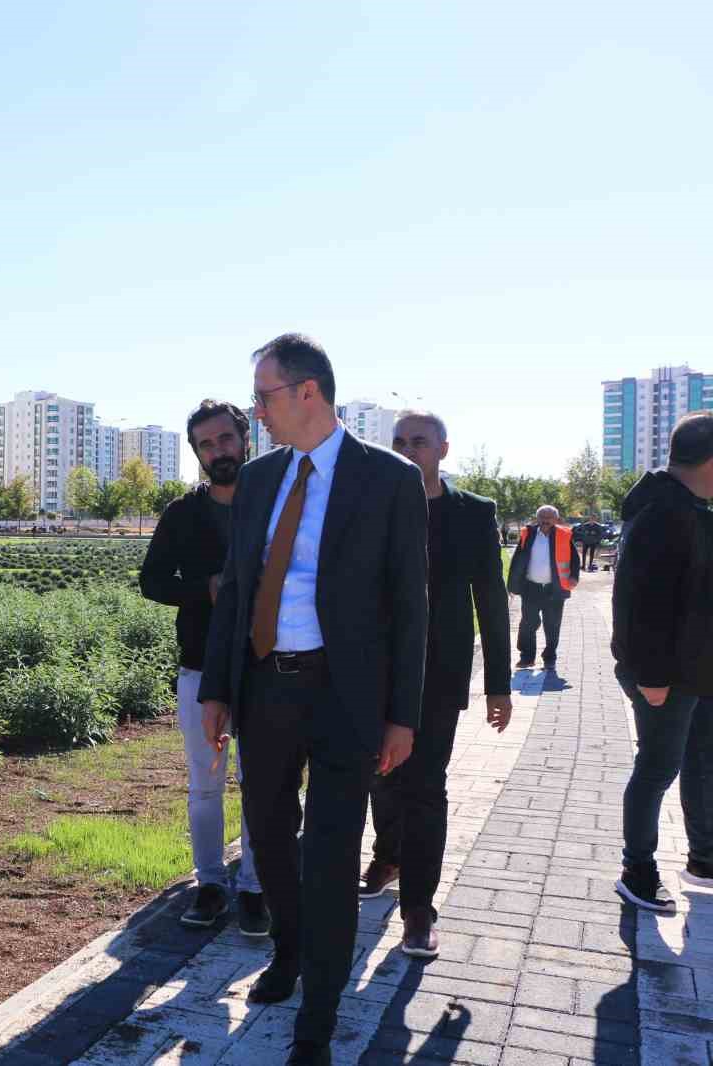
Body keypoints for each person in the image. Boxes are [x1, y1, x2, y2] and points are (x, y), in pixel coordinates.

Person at [199, 334, 427, 1066]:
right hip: (266, 687)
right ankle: (291, 952)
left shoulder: (387, 479)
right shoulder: (260, 479)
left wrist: (403, 715)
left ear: (307, 392)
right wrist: (218, 688)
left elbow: (411, 605)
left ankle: (318, 1020)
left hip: (344, 697)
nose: (256, 412)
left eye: (263, 397)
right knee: (269, 838)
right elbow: (239, 587)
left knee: (330, 855)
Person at [360, 411, 513, 958]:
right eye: (398, 442)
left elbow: (491, 599)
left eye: (419, 442)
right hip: (375, 671)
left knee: (426, 786)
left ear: (443, 449)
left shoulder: (472, 513)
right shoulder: (371, 505)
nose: (407, 451)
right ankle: (389, 855)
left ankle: (419, 911)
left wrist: (499, 684)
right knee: (381, 775)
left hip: (439, 674)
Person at [140, 399, 268, 936]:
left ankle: (256, 888)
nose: (218, 451)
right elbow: (152, 582)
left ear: (245, 438)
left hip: (268, 667)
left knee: (263, 783)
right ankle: (211, 884)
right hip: (199, 665)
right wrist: (205, 589)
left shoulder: (274, 503)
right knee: (205, 782)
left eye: (226, 439)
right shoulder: (182, 513)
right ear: (196, 452)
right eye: (206, 444)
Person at [611, 411, 713, 913]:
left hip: (694, 669)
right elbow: (642, 603)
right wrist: (652, 677)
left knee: (700, 761)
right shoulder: (664, 512)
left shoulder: (687, 507)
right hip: (664, 675)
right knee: (656, 769)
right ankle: (637, 870)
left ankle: (704, 859)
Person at [506, 506, 582, 669]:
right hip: (531, 587)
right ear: (537, 518)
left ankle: (549, 657)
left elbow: (575, 559)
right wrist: (512, 584)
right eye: (542, 517)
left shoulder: (564, 535)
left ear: (556, 519)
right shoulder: (528, 534)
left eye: (549, 517)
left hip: (555, 588)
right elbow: (517, 559)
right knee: (528, 624)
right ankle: (527, 657)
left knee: (552, 625)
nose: (545, 520)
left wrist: (574, 577)